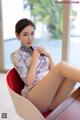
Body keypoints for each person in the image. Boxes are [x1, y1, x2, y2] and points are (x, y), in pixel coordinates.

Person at [11, 18, 80, 113]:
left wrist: (48, 55)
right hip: (34, 97)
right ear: (18, 36)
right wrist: (35, 59)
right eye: (25, 34)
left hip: (50, 97)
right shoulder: (16, 55)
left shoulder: (38, 49)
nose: (30, 38)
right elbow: (29, 81)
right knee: (62, 65)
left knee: (70, 77)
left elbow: (53, 72)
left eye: (32, 34)